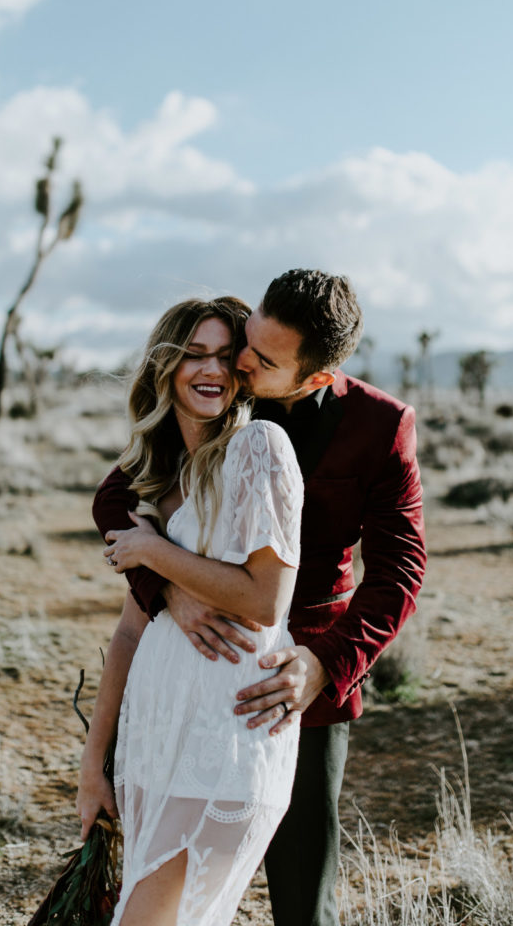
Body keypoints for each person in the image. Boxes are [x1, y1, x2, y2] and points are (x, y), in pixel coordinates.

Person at [94, 269, 427, 926]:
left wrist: (324, 663)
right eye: (247, 340)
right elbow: (117, 494)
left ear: (313, 377)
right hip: (190, 667)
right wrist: (168, 589)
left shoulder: (379, 425)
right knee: (159, 869)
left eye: (263, 359)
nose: (240, 362)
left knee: (304, 897)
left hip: (293, 682)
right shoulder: (224, 395)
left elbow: (399, 570)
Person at [77, 296, 305, 926]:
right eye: (193, 355)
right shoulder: (155, 476)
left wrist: (152, 550)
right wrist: (94, 765)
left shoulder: (260, 446)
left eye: (225, 356)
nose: (212, 369)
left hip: (226, 737)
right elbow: (128, 632)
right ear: (164, 367)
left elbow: (265, 601)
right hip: (155, 739)